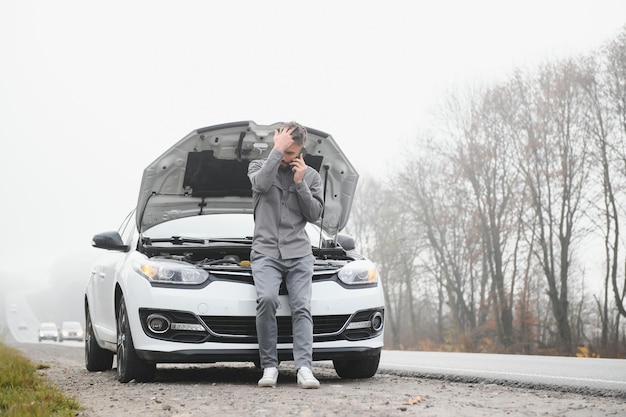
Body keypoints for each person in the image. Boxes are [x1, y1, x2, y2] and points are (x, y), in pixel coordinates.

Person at [247, 122, 324, 389]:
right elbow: (260, 185)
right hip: (265, 251)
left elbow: (314, 214)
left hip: (299, 253)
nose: (286, 158)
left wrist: (300, 183)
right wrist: (276, 152)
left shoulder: (311, 175)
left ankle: (304, 368)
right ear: (276, 143)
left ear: (302, 150)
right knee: (267, 300)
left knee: (302, 306)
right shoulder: (258, 167)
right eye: (284, 151)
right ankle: (270, 366)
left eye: (292, 153)